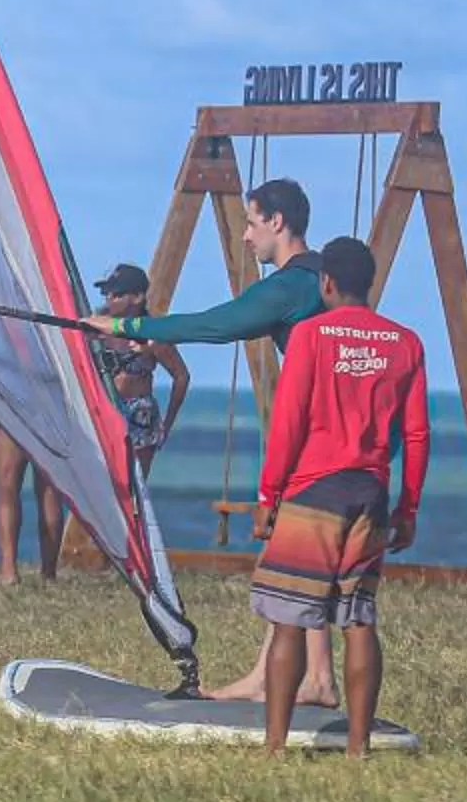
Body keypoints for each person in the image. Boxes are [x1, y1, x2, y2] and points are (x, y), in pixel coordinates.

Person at [78, 176, 343, 702]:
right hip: (341, 430)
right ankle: (306, 674)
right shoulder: (323, 281)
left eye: (250, 222)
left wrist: (126, 328)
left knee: (294, 553)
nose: (245, 236)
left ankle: (308, 678)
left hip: (320, 435)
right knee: (297, 553)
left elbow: (216, 324)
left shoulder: (292, 285)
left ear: (276, 222)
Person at [209, 237, 428, 756]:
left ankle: (275, 746)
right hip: (370, 494)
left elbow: (289, 420)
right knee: (359, 620)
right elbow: (417, 434)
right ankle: (357, 748)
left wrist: (269, 495)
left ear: (326, 283)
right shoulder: (405, 342)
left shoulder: (310, 335)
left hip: (313, 491)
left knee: (289, 620)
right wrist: (408, 508)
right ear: (369, 284)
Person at [88, 262, 190, 478]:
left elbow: (181, 376)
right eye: (106, 294)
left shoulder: (151, 333)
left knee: (135, 483)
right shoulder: (96, 327)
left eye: (117, 294)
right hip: (103, 408)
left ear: (137, 297)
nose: (109, 299)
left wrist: (167, 423)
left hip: (138, 414)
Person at [0, 416, 66, 585]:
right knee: (50, 495)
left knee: (6, 489)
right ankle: (49, 573)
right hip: (49, 414)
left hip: (11, 409)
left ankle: (8, 571)